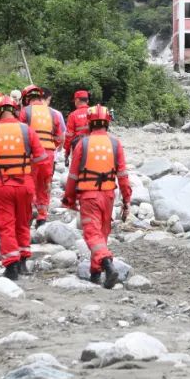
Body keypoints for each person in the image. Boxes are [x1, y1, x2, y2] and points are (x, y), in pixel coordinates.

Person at [0, 94, 48, 279]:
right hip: (25, 184)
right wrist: (37, 180)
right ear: (15, 110)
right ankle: (23, 262)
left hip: (0, 185)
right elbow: (42, 160)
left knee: (5, 225)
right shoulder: (27, 131)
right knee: (23, 223)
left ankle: (11, 266)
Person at [62, 104, 132, 288]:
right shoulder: (115, 143)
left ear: (90, 123)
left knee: (92, 233)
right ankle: (95, 272)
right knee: (102, 233)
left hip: (89, 195)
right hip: (108, 195)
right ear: (108, 122)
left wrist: (68, 197)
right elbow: (123, 176)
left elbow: (73, 175)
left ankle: (107, 265)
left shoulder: (82, 144)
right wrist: (126, 200)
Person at [17, 84, 65, 228]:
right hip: (48, 154)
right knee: (45, 186)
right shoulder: (53, 113)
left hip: (30, 154)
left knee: (29, 183)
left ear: (26, 98)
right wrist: (50, 147)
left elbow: (19, 134)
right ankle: (42, 218)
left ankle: (30, 210)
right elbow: (60, 137)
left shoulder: (25, 112)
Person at [64, 90, 91, 164]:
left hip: (78, 146)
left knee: (77, 170)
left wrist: (67, 152)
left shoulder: (73, 115)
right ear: (87, 101)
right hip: (94, 145)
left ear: (77, 100)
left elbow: (69, 136)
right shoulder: (94, 112)